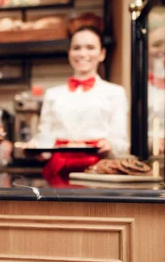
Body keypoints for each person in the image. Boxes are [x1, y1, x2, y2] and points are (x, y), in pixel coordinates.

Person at [28, 25, 129, 185]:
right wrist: (37, 147)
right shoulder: (53, 94)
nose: (83, 54)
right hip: (57, 171)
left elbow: (122, 143)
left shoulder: (115, 93)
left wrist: (110, 145)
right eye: (76, 48)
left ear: (102, 54)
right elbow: (45, 137)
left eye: (90, 48)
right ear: (69, 53)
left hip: (98, 172)